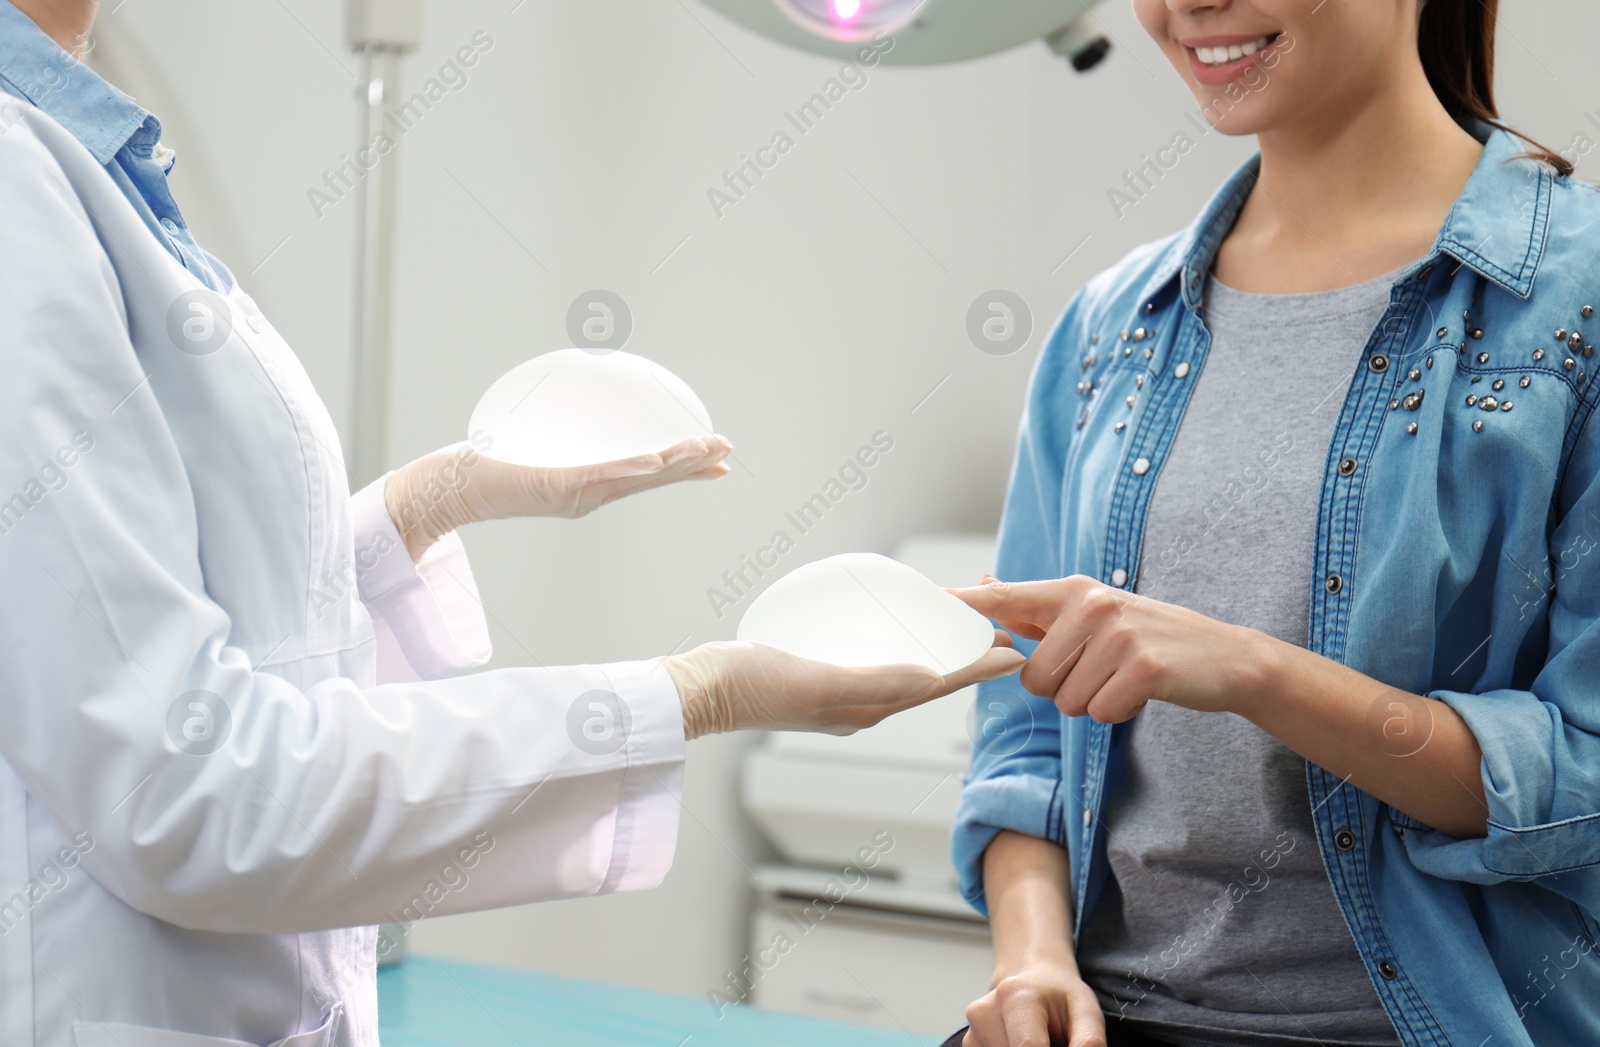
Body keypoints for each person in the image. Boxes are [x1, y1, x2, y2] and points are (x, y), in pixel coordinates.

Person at [0, 2, 1023, 1044]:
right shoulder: (13, 183)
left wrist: (424, 507)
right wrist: (696, 694)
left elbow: (183, 629)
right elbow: (187, 785)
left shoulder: (81, 158)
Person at [945, 2, 1600, 1046]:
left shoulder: (1576, 306)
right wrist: (1032, 963)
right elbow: (1024, 734)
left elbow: (1582, 781)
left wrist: (1257, 673)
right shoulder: (1110, 326)